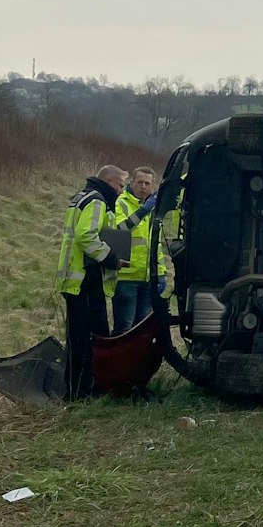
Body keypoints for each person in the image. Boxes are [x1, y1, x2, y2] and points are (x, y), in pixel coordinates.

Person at [58, 164, 125, 397]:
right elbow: (86, 236)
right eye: (120, 185)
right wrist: (111, 258)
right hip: (86, 280)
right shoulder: (97, 200)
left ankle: (75, 390)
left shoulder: (81, 197)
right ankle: (87, 391)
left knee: (76, 338)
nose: (121, 191)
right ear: (108, 181)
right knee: (91, 338)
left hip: (74, 279)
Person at [109, 166, 158, 333]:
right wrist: (143, 211)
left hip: (147, 278)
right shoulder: (120, 202)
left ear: (153, 186)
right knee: (124, 329)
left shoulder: (154, 208)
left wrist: (162, 273)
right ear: (132, 183)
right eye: (140, 182)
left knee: (142, 331)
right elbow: (120, 229)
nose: (143, 187)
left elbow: (155, 244)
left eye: (147, 183)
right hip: (125, 277)